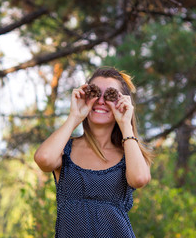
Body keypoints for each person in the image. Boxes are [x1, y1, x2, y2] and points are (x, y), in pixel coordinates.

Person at [34, 67, 153, 237]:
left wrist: (125, 124)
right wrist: (75, 116)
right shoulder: (66, 150)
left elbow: (140, 179)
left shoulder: (129, 154)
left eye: (111, 95)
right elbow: (43, 159)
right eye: (94, 93)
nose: (101, 101)